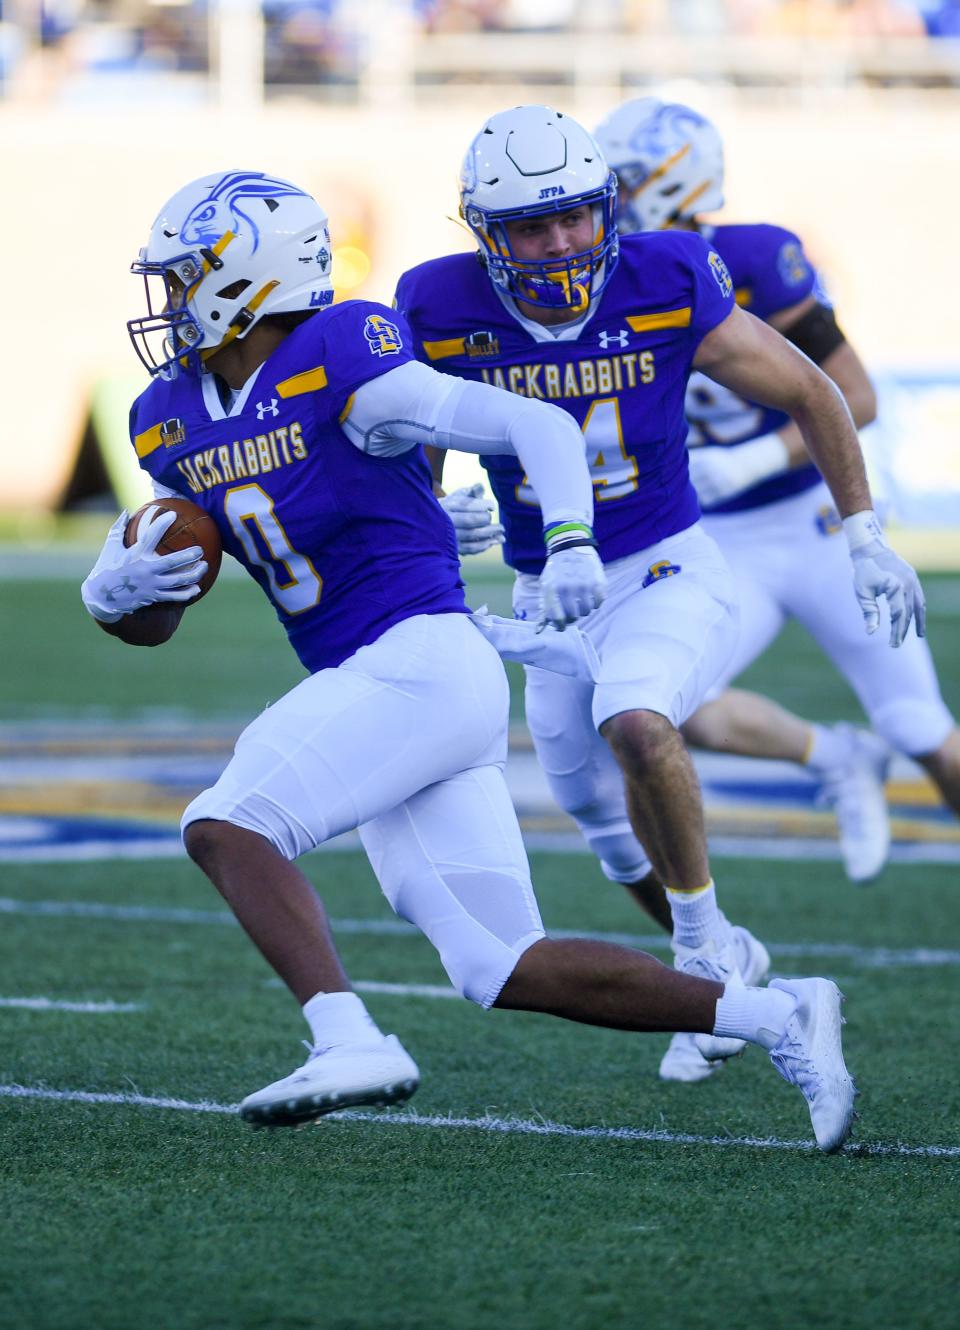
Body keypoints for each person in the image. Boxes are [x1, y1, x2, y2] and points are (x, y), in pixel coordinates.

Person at [79, 168, 858, 1151]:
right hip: (391, 682)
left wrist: (569, 537)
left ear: (251, 275)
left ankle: (347, 1034)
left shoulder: (338, 353)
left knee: (226, 821)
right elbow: (160, 618)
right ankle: (781, 1012)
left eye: (188, 274)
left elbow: (530, 422)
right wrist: (114, 599)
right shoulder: (170, 419)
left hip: (420, 660)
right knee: (500, 963)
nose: (172, 296)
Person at [395, 104, 923, 1087]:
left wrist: (862, 533)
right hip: (547, 587)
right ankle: (727, 950)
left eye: (577, 217)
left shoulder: (667, 273)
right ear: (482, 231)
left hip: (669, 563)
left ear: (609, 209)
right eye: (530, 225)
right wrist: (436, 513)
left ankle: (701, 955)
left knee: (637, 723)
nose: (560, 242)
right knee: (596, 815)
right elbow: (411, 454)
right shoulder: (437, 303)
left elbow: (814, 388)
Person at [589, 97, 960, 1078]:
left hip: (810, 522)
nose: (599, 204)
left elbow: (856, 392)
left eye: (618, 184)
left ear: (671, 184)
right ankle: (828, 763)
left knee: (923, 722)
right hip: (717, 543)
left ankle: (870, 749)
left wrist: (752, 467)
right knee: (661, 709)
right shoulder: (599, 277)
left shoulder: (755, 256)